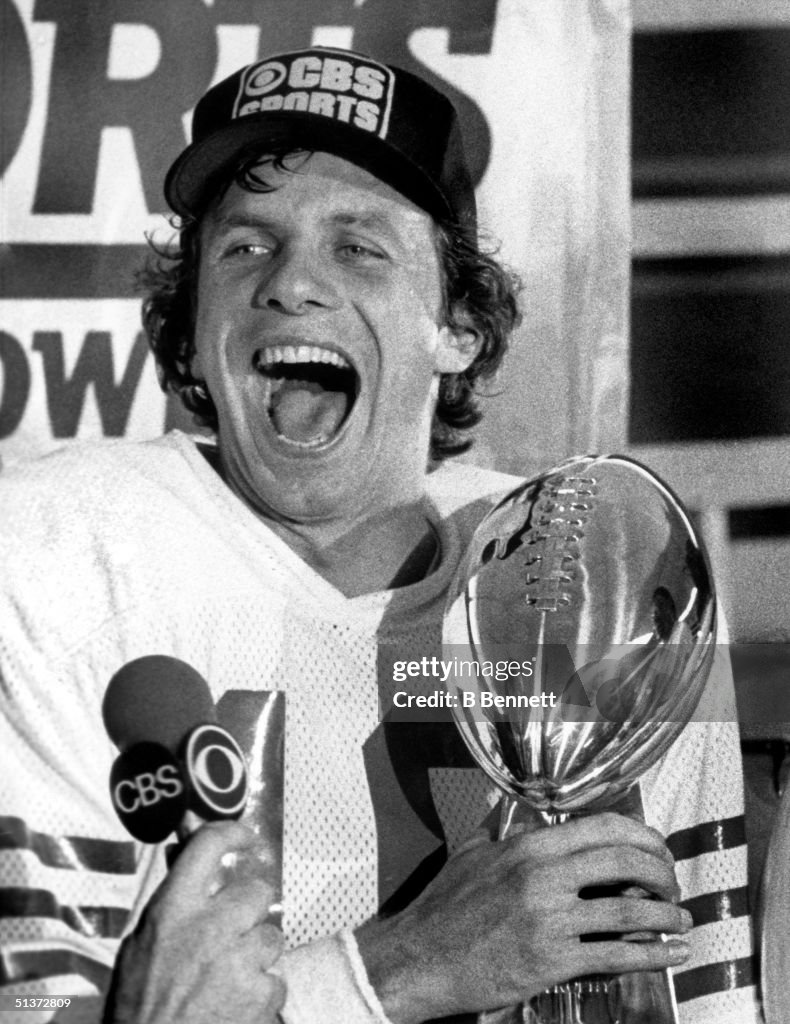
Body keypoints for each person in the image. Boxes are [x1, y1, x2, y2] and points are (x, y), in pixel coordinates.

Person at [0, 47, 758, 1024]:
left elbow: (701, 997)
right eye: (245, 247)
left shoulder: (598, 575)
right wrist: (395, 970)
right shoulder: (55, 550)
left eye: (358, 247)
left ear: (458, 328)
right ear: (190, 330)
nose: (292, 284)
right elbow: (35, 1004)